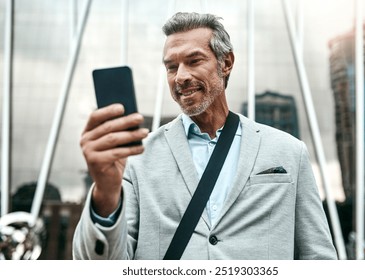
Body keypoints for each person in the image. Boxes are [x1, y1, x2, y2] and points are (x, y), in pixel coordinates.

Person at [73, 12, 337, 260]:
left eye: (194, 61)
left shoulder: (288, 151)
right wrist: (106, 194)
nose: (181, 77)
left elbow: (319, 257)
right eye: (171, 67)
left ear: (226, 63)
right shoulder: (135, 159)